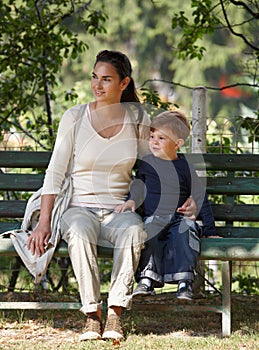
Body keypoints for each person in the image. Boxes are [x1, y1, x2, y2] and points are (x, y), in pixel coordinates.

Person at [25, 50, 196, 341]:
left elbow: (154, 164)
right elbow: (54, 171)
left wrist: (186, 196)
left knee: (133, 230)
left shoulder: (137, 117)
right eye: (95, 77)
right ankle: (92, 315)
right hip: (79, 208)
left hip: (119, 211)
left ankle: (115, 313)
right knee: (78, 231)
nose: (97, 85)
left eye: (106, 79)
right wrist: (43, 222)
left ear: (124, 82)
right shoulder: (75, 117)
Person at [115, 110, 217, 301]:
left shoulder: (185, 166)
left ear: (177, 144)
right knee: (148, 232)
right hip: (155, 217)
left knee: (185, 232)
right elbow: (139, 188)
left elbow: (199, 196)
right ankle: (147, 279)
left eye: (161, 138)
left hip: (180, 218)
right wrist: (130, 201)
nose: (153, 141)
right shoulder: (146, 164)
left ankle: (184, 282)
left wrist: (210, 230)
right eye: (152, 136)